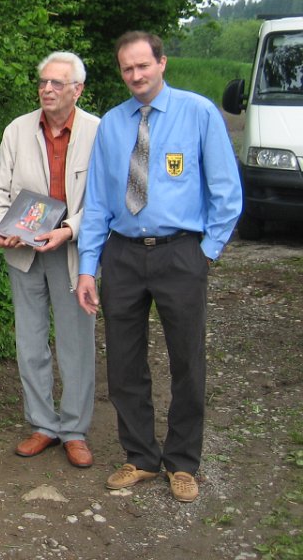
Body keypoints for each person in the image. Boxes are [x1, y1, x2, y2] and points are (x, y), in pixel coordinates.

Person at [75, 31, 241, 503]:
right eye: (127, 68)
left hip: (180, 252)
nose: (136, 75)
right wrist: (88, 267)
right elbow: (98, 202)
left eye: (143, 65)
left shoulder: (199, 113)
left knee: (186, 360)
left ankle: (183, 461)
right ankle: (141, 455)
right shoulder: (112, 124)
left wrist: (206, 251)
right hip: (123, 254)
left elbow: (226, 190)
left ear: (162, 63)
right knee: (124, 361)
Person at [0, 52, 99, 468]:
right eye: (43, 82)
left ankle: (74, 430)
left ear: (77, 90)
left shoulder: (97, 132)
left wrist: (70, 229)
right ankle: (43, 424)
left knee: (76, 343)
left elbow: (104, 200)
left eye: (57, 83)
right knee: (30, 341)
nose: (47, 89)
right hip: (25, 252)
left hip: (73, 251)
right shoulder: (18, 129)